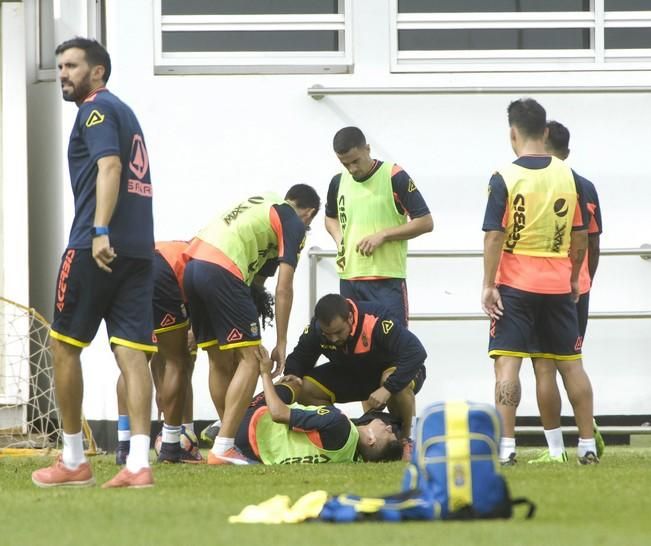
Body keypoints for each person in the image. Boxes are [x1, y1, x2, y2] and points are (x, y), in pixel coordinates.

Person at [32, 38, 156, 488]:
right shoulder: (126, 111)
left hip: (93, 247)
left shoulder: (96, 110)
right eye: (60, 65)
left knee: (64, 346)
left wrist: (100, 229)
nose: (63, 73)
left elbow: (110, 167)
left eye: (71, 65)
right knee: (131, 352)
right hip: (140, 249)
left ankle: (72, 460)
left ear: (97, 72)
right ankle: (139, 464)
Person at [481, 98, 599, 466]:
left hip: (516, 283)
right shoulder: (567, 176)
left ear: (512, 133)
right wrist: (574, 278)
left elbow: (495, 235)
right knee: (571, 363)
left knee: (508, 363)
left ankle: (507, 447)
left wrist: (488, 284)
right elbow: (580, 235)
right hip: (559, 283)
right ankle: (586, 445)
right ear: (545, 132)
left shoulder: (504, 176)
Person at [182, 185, 320, 464]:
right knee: (252, 358)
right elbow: (284, 288)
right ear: (309, 213)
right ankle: (224, 447)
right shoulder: (294, 223)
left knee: (218, 361)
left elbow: (257, 285)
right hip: (224, 269)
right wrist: (281, 342)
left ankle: (229, 437)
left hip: (194, 263)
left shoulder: (265, 203)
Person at [528, 121, 605, 464]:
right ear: (568, 151)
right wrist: (584, 280)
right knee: (573, 364)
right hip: (577, 287)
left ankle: (556, 449)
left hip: (539, 285)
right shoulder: (586, 185)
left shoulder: (532, 182)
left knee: (544, 367)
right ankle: (588, 439)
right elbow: (593, 240)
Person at [283, 293, 427, 460]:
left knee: (393, 381)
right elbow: (298, 358)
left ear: (350, 318)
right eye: (328, 334)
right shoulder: (317, 330)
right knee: (304, 387)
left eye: (338, 332)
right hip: (356, 375)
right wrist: (291, 375)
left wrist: (387, 388)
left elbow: (416, 352)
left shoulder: (375, 320)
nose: (334, 338)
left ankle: (408, 440)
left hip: (392, 373)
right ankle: (340, 433)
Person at [325, 127, 433, 327]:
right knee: (353, 346)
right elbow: (330, 218)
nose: (352, 169)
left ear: (367, 149)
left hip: (386, 279)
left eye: (355, 161)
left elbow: (425, 222)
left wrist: (383, 235)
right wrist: (341, 240)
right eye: (345, 163)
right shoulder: (338, 181)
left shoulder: (394, 176)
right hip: (349, 278)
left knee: (393, 347)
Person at [227, 347, 402, 465]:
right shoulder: (350, 457)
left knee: (294, 384)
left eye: (389, 433)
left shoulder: (338, 422)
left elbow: (278, 413)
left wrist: (265, 372)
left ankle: (224, 425)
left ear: (371, 440)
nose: (388, 427)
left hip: (250, 428)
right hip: (253, 454)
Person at [115, 241, 201, 464]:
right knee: (179, 360)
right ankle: (172, 445)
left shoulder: (184, 248)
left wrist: (162, 391)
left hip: (130, 269)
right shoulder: (207, 260)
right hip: (161, 274)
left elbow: (157, 357)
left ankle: (124, 446)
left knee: (134, 360)